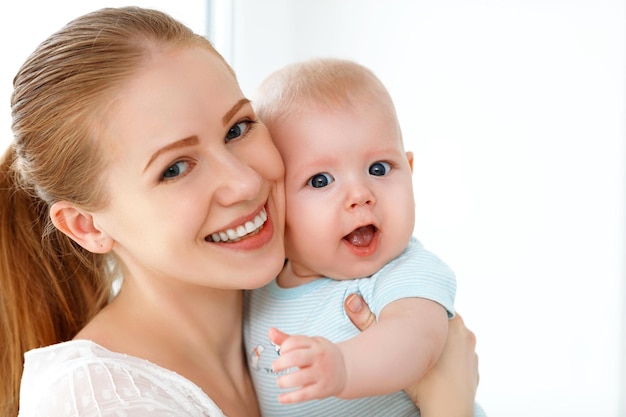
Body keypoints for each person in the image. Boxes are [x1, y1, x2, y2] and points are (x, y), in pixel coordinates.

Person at [0, 6, 481, 417]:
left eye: (238, 128)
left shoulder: (312, 290)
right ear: (86, 226)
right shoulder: (98, 402)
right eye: (176, 168)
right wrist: (447, 404)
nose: (247, 182)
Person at [245, 58, 485, 416]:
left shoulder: (403, 272)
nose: (360, 193)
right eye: (321, 180)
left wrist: (343, 365)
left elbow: (416, 340)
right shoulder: (259, 286)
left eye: (378, 169)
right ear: (274, 200)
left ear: (410, 171)